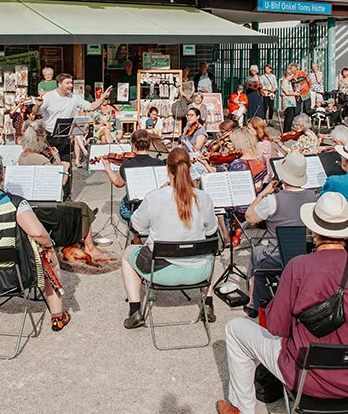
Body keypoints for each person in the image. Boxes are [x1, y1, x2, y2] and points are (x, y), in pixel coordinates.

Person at [216, 193, 348, 414]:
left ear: (314, 231)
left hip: (307, 377)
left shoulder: (298, 267)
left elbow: (277, 327)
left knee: (235, 329)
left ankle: (241, 409)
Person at [0, 153, 70, 332]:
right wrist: (49, 246)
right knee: (50, 256)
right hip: (14, 277)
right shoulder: (15, 204)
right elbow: (39, 234)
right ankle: (57, 315)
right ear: (2, 175)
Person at [121, 148, 217, 329]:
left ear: (167, 169)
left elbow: (136, 226)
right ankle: (208, 303)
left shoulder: (155, 197)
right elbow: (212, 230)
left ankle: (134, 310)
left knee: (128, 254)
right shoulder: (204, 198)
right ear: (189, 168)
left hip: (161, 272)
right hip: (199, 272)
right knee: (209, 251)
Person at [18, 123, 106, 260]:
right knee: (82, 207)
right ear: (40, 138)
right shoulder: (40, 159)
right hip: (46, 208)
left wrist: (53, 158)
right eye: (45, 136)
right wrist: (64, 166)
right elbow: (61, 182)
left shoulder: (22, 157)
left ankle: (77, 239)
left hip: (31, 204)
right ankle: (90, 247)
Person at [243, 151, 313, 316]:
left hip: (276, 256)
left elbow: (249, 216)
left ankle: (254, 303)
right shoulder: (312, 197)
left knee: (257, 252)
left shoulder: (273, 200)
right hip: (304, 254)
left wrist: (263, 194)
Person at [35, 73, 108, 163]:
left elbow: (91, 107)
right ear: (59, 84)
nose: (71, 85)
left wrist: (102, 98)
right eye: (67, 83)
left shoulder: (75, 97)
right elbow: (36, 112)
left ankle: (67, 176)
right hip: (49, 135)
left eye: (71, 83)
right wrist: (37, 106)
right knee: (47, 164)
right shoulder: (49, 96)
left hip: (65, 135)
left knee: (67, 165)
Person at [101, 129, 165, 228]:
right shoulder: (159, 163)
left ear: (134, 147)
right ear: (148, 146)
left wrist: (107, 167)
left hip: (135, 207)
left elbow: (118, 183)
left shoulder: (127, 165)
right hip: (155, 207)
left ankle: (136, 236)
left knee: (124, 207)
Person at [248, 117, 275, 182]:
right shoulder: (256, 141)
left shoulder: (264, 144)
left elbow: (257, 161)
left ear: (257, 129)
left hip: (262, 178)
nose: (248, 132)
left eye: (249, 129)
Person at [280, 67, 299, 133]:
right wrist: (295, 94)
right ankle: (286, 130)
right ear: (288, 75)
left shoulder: (289, 82)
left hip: (292, 101)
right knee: (289, 116)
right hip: (288, 102)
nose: (292, 77)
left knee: (291, 117)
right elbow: (287, 92)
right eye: (291, 76)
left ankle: (289, 129)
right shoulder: (284, 82)